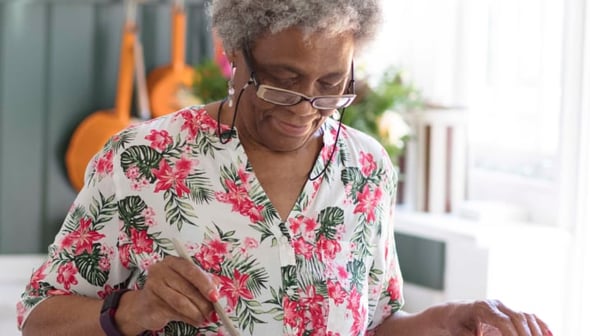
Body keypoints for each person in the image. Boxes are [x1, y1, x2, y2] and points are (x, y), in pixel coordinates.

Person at [17, 0, 553, 335]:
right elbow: (39, 318)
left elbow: (376, 323)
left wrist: (446, 320)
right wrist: (130, 312)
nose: (305, 109)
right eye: (282, 81)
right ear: (235, 56)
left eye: (329, 86)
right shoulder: (142, 159)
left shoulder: (366, 168)